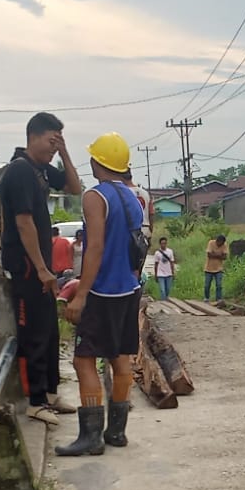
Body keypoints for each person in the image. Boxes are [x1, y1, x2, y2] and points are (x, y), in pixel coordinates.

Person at [57, 133, 145, 457]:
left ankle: (90, 437)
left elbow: (95, 247)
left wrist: (80, 295)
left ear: (98, 163)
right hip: (129, 290)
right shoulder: (133, 198)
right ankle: (117, 432)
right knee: (121, 359)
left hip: (103, 291)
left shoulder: (96, 197)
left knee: (84, 361)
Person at [0, 112, 83, 426]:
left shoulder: (41, 170)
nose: (53, 148)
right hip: (27, 266)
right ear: (33, 136)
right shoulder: (20, 171)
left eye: (57, 142)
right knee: (32, 332)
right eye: (51, 141)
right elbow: (24, 222)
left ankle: (49, 393)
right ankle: (34, 401)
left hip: (43, 267)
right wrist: (42, 268)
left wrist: (64, 153)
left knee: (48, 331)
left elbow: (75, 188)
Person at [203, 234, 227, 303]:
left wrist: (214, 254)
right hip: (208, 268)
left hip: (219, 268)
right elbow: (209, 255)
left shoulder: (224, 245)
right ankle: (206, 298)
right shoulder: (211, 243)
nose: (220, 245)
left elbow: (225, 257)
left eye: (222, 243)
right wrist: (220, 255)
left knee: (219, 285)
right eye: (219, 243)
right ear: (217, 241)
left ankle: (218, 299)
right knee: (207, 285)